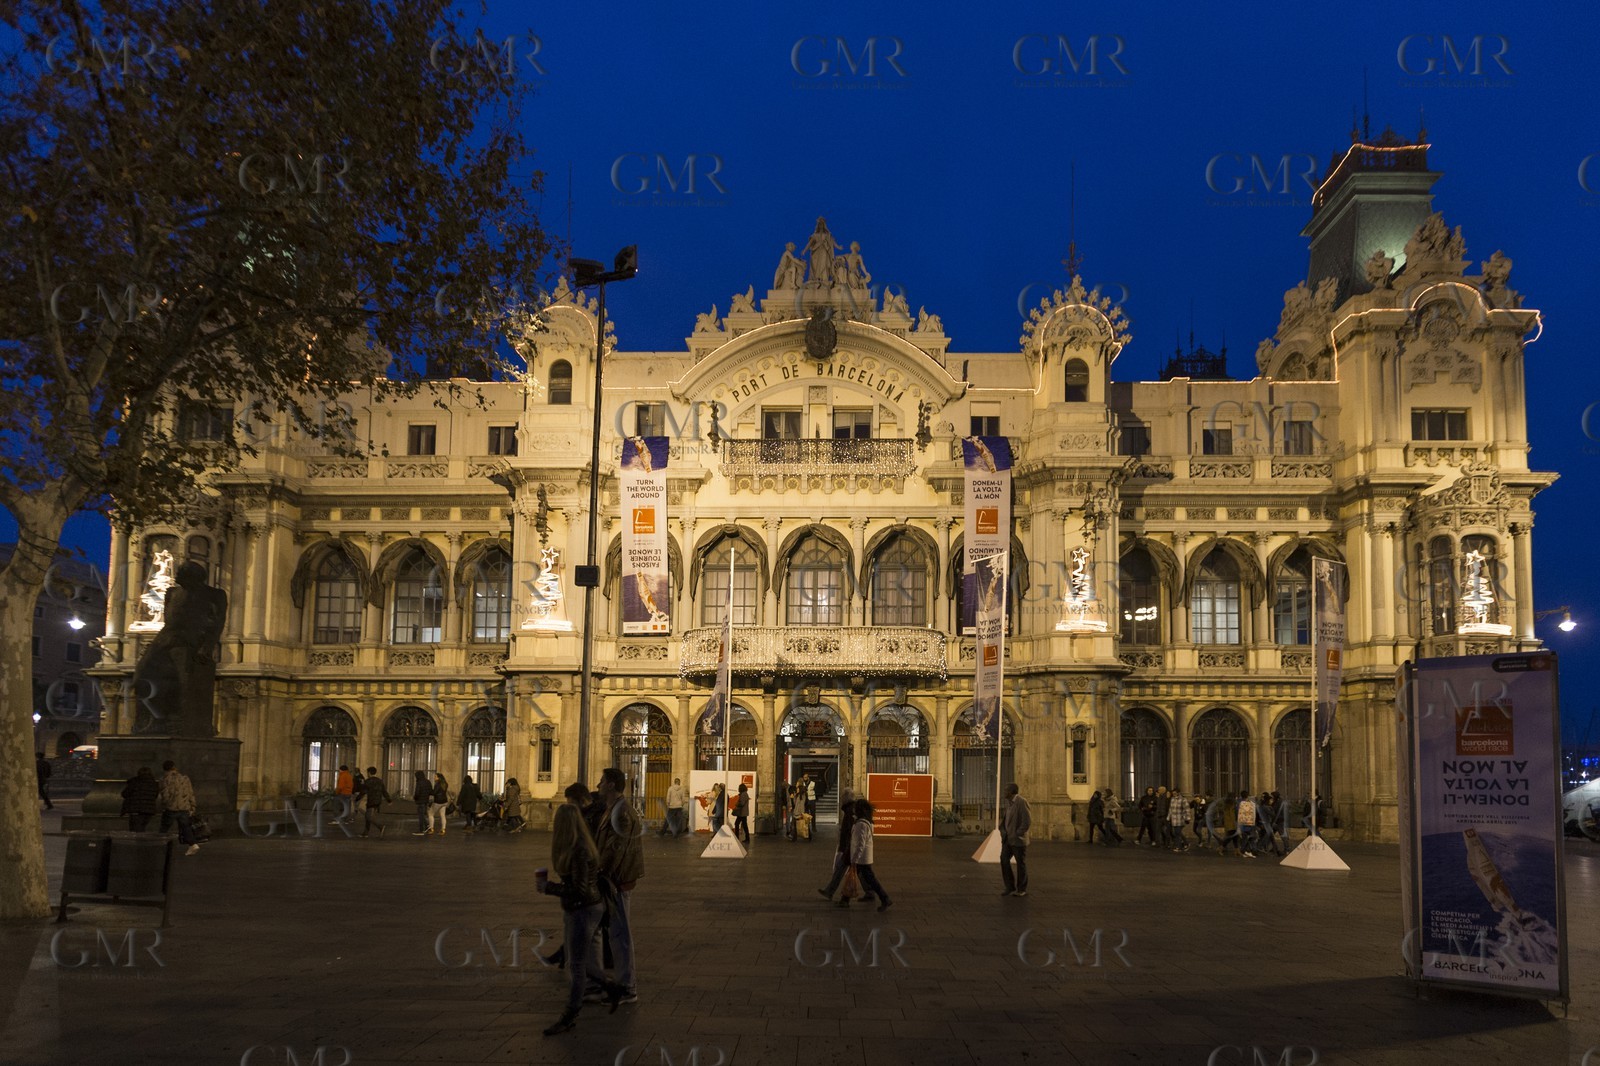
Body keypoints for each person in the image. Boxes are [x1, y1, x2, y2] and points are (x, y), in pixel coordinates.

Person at [536, 784, 626, 1036]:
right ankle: (610, 987)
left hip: (584, 908)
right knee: (579, 961)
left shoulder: (578, 850)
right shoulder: (580, 846)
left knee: (575, 966)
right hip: (588, 907)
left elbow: (579, 890)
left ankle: (570, 1014)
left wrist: (548, 888)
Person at [590, 767, 643, 1004]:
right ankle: (622, 983)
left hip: (617, 882)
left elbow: (615, 849)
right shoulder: (613, 809)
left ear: (611, 785)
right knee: (616, 934)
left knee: (620, 935)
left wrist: (602, 874)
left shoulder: (621, 812)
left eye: (602, 781)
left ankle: (627, 987)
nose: (598, 785)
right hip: (614, 881)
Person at [847, 798, 892, 912]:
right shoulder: (867, 822)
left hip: (862, 858)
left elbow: (860, 844)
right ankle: (846, 898)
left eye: (855, 807)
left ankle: (885, 898)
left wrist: (854, 859)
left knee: (870, 879)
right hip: (865, 857)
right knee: (866, 877)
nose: (853, 809)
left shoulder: (861, 824)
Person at [817, 789, 858, 901]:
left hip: (848, 847)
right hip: (849, 847)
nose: (840, 799)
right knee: (861, 872)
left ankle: (831, 892)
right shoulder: (850, 810)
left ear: (846, 798)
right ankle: (831, 892)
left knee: (842, 870)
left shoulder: (849, 811)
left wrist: (845, 847)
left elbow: (850, 831)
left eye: (842, 797)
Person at [158, 759, 201, 856]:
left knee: (164, 828)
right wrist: (192, 806)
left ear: (164, 769)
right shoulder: (185, 778)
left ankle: (159, 846)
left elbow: (165, 795)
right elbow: (190, 793)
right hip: (184, 807)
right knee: (185, 827)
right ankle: (193, 844)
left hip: (171, 808)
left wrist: (165, 805)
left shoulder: (164, 779)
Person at [1000, 783, 1031, 897]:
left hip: (1018, 840)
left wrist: (1018, 833)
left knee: (1020, 864)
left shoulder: (1021, 802)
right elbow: (1006, 820)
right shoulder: (1009, 803)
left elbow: (1026, 821)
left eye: (1006, 790)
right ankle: (1010, 886)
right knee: (1004, 860)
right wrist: (1003, 830)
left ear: (1012, 792)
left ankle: (1021, 889)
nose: (1004, 792)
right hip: (1008, 839)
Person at [120, 767, 160, 831]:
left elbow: (124, 794)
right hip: (149, 810)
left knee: (135, 830)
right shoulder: (154, 784)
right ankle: (141, 840)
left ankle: (137, 840)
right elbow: (155, 795)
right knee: (142, 829)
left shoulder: (135, 782)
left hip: (136, 810)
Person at [360, 766, 390, 838]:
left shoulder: (368, 781)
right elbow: (384, 791)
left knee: (369, 816)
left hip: (371, 801)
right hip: (378, 800)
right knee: (368, 815)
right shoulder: (380, 781)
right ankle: (365, 832)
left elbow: (363, 792)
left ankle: (380, 827)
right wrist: (389, 800)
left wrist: (357, 798)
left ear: (369, 773)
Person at [1236, 791, 1259, 859]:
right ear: (1247, 796)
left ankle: (1245, 851)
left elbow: (1238, 814)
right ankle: (1249, 851)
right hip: (1251, 823)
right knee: (1251, 837)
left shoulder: (1239, 804)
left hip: (1242, 823)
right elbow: (1254, 813)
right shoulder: (1252, 804)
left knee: (1244, 837)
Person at [411, 770, 432, 835]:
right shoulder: (428, 782)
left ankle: (421, 830)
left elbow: (417, 792)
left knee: (421, 816)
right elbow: (430, 791)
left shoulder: (419, 782)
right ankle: (427, 826)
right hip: (426, 800)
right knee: (423, 815)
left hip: (420, 801)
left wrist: (415, 798)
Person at [1168, 788, 1189, 852]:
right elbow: (1170, 809)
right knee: (1177, 832)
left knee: (1177, 832)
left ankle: (1178, 846)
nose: (1174, 794)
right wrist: (1169, 817)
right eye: (1173, 793)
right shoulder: (1172, 799)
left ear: (1178, 793)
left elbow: (1186, 809)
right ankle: (1186, 843)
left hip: (1180, 818)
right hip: (1174, 819)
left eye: (1175, 793)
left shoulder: (1183, 799)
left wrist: (1187, 818)